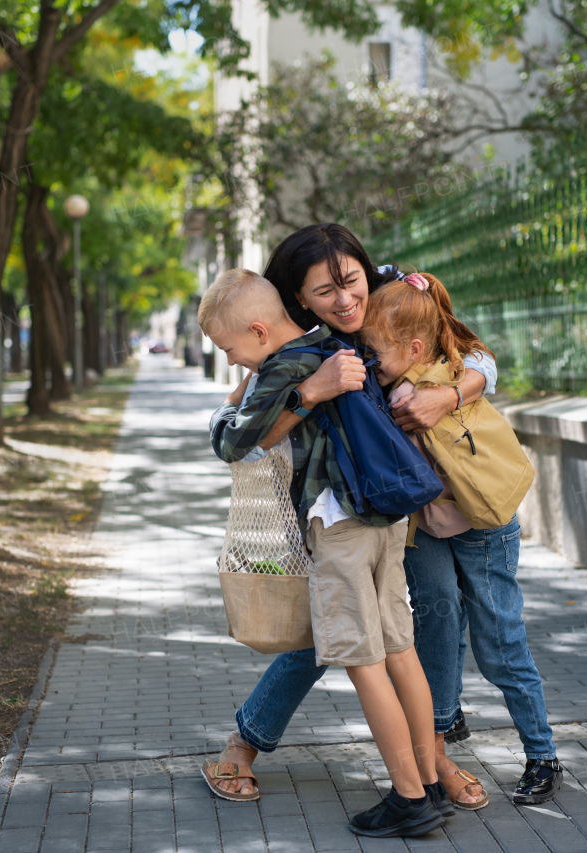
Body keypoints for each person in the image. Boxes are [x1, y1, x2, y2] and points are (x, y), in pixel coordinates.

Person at [204, 225, 498, 814]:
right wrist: (309, 393)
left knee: (365, 657)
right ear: (297, 300)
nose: (344, 299)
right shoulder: (320, 350)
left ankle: (413, 793)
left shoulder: (379, 309)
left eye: (350, 281)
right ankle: (428, 774)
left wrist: (451, 392)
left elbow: (233, 442)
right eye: (324, 291)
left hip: (350, 521)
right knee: (395, 648)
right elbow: (231, 420)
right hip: (394, 511)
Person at [360, 271, 564, 806]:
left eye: (373, 350)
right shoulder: (388, 379)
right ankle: (444, 725)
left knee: (500, 646)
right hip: (424, 530)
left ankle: (542, 754)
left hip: (484, 527)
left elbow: (479, 357)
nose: (366, 359)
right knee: (435, 622)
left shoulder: (441, 376)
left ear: (413, 347)